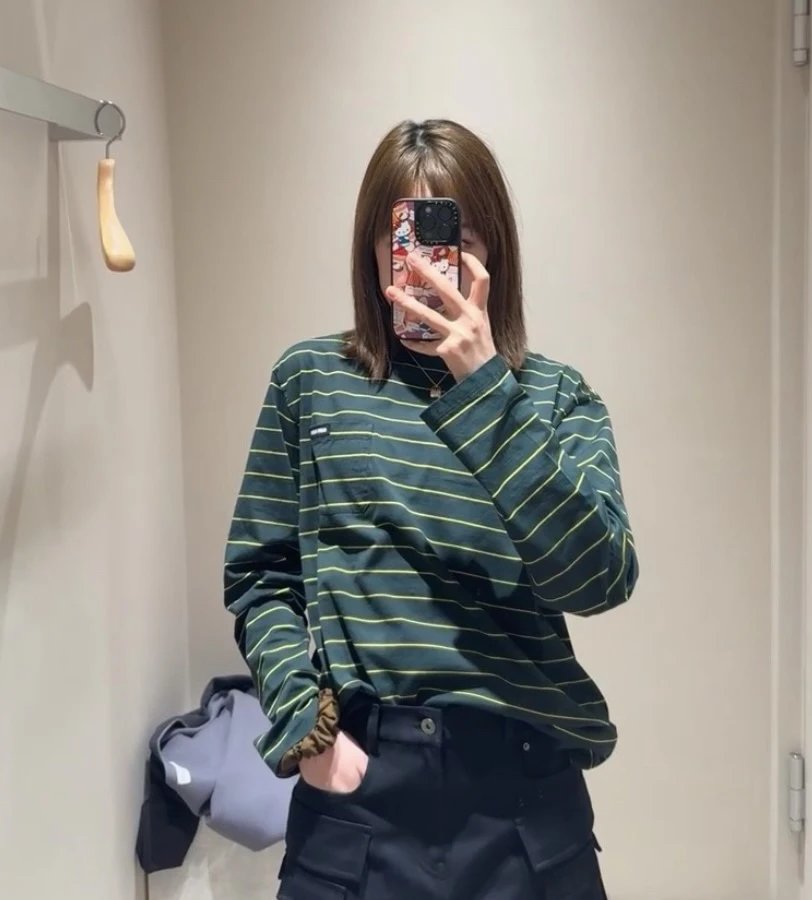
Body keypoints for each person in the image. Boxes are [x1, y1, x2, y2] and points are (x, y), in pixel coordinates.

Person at [224, 119, 638, 900]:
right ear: (373, 250)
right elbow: (261, 577)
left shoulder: (554, 398)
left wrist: (486, 393)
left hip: (524, 800)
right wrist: (310, 732)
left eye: (454, 239)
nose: (422, 267)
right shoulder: (310, 381)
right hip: (358, 800)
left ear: (492, 253)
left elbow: (597, 580)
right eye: (403, 241)